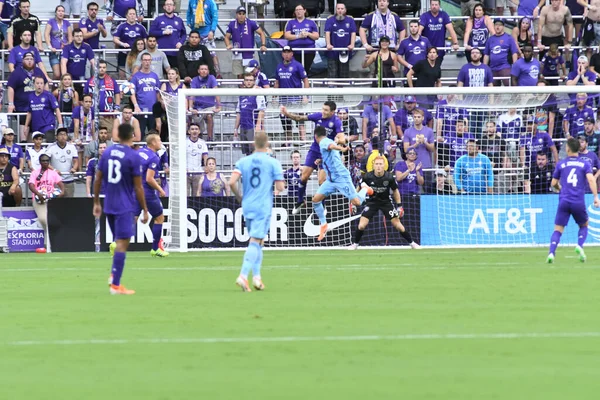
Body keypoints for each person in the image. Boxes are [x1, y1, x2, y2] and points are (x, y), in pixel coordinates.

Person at [94, 123, 149, 295]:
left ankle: (113, 275)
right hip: (124, 205)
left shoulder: (108, 152)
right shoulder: (133, 156)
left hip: (109, 204)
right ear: (132, 135)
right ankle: (116, 285)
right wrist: (145, 209)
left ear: (117, 135)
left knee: (120, 242)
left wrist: (96, 202)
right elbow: (139, 187)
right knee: (123, 243)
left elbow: (98, 178)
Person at [229, 132, 285, 292]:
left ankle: (257, 278)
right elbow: (280, 187)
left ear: (254, 144)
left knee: (259, 240)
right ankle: (243, 275)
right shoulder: (273, 162)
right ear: (267, 144)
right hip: (262, 205)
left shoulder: (243, 161)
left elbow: (232, 182)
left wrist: (240, 197)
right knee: (256, 240)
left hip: (247, 204)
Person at [279, 101, 344, 214]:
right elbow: (299, 118)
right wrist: (287, 113)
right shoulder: (318, 116)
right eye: (322, 109)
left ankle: (323, 206)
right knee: (303, 176)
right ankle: (300, 201)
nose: (323, 112)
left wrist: (339, 140)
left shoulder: (336, 121)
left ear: (332, 112)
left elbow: (341, 137)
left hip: (327, 153)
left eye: (326, 110)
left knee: (321, 180)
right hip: (314, 150)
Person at [311, 126, 372, 241]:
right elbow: (332, 152)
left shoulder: (324, 142)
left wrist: (342, 149)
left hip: (341, 178)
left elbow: (331, 147)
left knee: (357, 202)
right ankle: (324, 224)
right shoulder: (329, 141)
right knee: (316, 200)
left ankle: (364, 188)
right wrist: (322, 160)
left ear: (315, 136)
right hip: (331, 180)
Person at [546, 137, 600, 264]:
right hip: (578, 202)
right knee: (584, 225)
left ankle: (551, 253)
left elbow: (553, 183)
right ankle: (580, 246)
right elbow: (591, 180)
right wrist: (595, 197)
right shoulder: (585, 164)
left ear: (568, 149)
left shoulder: (561, 164)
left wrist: (560, 188)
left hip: (564, 201)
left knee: (558, 229)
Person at [349, 156, 420, 250]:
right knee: (362, 225)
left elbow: (395, 191)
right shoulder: (367, 176)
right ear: (373, 165)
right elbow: (358, 188)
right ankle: (355, 244)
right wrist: (353, 203)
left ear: (384, 166)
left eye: (380, 164)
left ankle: (412, 243)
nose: (378, 166)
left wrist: (399, 206)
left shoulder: (389, 177)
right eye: (377, 164)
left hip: (386, 202)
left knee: (398, 225)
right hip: (372, 202)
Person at [135, 133, 169, 257]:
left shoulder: (139, 152)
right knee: (159, 217)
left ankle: (117, 243)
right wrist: (161, 189)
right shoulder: (154, 157)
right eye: (159, 140)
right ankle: (155, 248)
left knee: (132, 219)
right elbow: (149, 179)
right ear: (153, 143)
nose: (161, 143)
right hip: (147, 192)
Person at [7, 52, 47, 141]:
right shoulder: (16, 72)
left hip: (37, 106)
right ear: (22, 60)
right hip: (22, 107)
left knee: (35, 137)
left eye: (31, 59)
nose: (29, 61)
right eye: (27, 59)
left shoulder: (38, 71)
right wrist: (10, 103)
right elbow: (11, 88)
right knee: (24, 137)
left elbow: (46, 84)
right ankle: (24, 144)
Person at [29, 153, 65, 250]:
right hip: (39, 200)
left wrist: (62, 192)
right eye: (43, 161)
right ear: (40, 162)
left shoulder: (53, 173)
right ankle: (48, 244)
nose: (45, 162)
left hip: (51, 199)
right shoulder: (35, 173)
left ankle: (49, 245)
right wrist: (38, 193)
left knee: (52, 222)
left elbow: (60, 183)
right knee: (44, 220)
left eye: (47, 161)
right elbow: (31, 185)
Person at [274, 45, 309, 143]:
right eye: (284, 52)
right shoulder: (279, 66)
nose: (286, 54)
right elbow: (277, 82)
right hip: (284, 99)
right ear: (282, 54)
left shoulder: (297, 65)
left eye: (288, 52)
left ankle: (303, 140)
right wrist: (274, 97)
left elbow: (305, 80)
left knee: (300, 118)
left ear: (292, 53)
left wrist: (306, 95)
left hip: (296, 98)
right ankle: (288, 141)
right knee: (285, 121)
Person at [225, 6, 267, 79]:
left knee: (249, 75)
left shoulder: (251, 23)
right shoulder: (232, 24)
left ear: (245, 15)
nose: (241, 16)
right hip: (236, 53)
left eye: (243, 14)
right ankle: (241, 90)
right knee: (239, 76)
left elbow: (262, 33)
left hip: (249, 53)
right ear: (236, 14)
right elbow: (226, 37)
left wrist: (263, 45)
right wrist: (228, 45)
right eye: (239, 13)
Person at [234, 73, 266, 156]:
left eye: (251, 80)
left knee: (255, 151)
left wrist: (258, 126)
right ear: (244, 81)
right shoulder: (241, 94)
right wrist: (235, 128)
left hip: (252, 126)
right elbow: (239, 112)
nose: (248, 82)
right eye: (247, 80)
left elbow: (261, 110)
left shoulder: (258, 93)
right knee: (246, 152)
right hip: (243, 126)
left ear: (254, 81)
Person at [186, 0, 220, 78]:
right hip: (195, 32)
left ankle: (217, 72)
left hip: (207, 33)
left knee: (212, 54)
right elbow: (189, 12)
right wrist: (188, 21)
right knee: (195, 56)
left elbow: (215, 17)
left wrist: (212, 30)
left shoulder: (211, 2)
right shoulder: (191, 1)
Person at [24, 76, 63, 142]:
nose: (39, 85)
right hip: (36, 128)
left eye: (41, 83)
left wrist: (60, 124)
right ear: (34, 84)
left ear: (44, 85)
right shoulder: (30, 96)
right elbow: (29, 112)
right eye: (37, 83)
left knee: (48, 147)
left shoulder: (49, 95)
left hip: (48, 126)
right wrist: (26, 126)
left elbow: (56, 109)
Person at [84, 59, 121, 129]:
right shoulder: (89, 81)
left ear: (106, 69)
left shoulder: (112, 81)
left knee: (108, 136)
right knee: (92, 136)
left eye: (104, 67)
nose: (102, 69)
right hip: (92, 115)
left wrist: (117, 107)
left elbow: (117, 94)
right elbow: (85, 95)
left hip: (107, 116)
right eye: (100, 67)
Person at [149, 0, 187, 67]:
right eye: (167, 5)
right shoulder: (158, 19)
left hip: (175, 53)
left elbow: (184, 34)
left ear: (174, 7)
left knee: (174, 74)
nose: (169, 6)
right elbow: (151, 32)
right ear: (164, 7)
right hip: (161, 53)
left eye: (170, 4)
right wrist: (163, 32)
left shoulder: (179, 20)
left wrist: (181, 42)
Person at [113, 8, 148, 79]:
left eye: (134, 14)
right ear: (126, 16)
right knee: (122, 75)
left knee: (138, 74)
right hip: (124, 53)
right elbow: (115, 39)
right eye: (130, 14)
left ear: (136, 16)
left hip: (137, 55)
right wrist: (123, 44)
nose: (132, 16)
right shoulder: (121, 26)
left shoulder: (141, 27)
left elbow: (145, 41)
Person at [131, 53, 161, 135]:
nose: (147, 62)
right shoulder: (136, 76)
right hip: (141, 110)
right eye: (145, 60)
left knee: (154, 134)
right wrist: (136, 106)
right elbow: (132, 92)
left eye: (148, 60)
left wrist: (158, 108)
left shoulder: (155, 76)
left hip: (153, 111)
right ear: (141, 61)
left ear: (151, 61)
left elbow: (158, 93)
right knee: (139, 135)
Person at [189, 64, 220, 142]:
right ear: (198, 71)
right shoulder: (195, 80)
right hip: (198, 107)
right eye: (202, 69)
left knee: (209, 116)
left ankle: (210, 139)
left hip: (209, 106)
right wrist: (190, 108)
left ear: (208, 71)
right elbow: (191, 94)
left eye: (205, 69)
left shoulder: (212, 78)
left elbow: (216, 92)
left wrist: (219, 106)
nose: (204, 71)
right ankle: (199, 139)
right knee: (196, 120)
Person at [324, 2, 356, 80]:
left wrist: (352, 44)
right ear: (336, 10)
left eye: (342, 9)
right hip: (332, 51)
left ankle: (343, 92)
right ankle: (332, 92)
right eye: (338, 9)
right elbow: (327, 33)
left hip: (345, 52)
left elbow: (353, 33)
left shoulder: (350, 20)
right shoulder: (330, 20)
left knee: (344, 75)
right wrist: (328, 44)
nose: (340, 10)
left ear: (345, 10)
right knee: (332, 74)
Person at [483, 19, 519, 87]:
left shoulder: (509, 38)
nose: (498, 27)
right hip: (492, 68)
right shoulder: (490, 39)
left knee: (509, 85)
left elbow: (514, 52)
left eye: (500, 25)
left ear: (503, 27)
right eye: (496, 25)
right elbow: (486, 54)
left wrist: (515, 66)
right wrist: (485, 67)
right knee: (493, 88)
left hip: (505, 67)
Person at [60, 28, 95, 95]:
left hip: (82, 77)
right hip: (70, 78)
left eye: (81, 36)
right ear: (73, 37)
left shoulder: (87, 47)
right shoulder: (67, 47)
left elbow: (93, 63)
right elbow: (63, 63)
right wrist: (65, 78)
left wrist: (97, 76)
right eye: (77, 36)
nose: (79, 38)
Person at [402, 108, 435, 179]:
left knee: (427, 188)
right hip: (412, 165)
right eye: (415, 117)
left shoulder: (429, 131)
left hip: (426, 165)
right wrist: (415, 144)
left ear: (423, 118)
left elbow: (432, 149)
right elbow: (405, 150)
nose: (416, 119)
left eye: (418, 117)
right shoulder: (407, 131)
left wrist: (425, 142)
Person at [46, 128, 78, 197]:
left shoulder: (72, 147)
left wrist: (74, 168)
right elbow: (45, 162)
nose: (63, 136)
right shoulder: (51, 147)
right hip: (55, 180)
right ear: (56, 137)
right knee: (56, 203)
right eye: (60, 134)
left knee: (69, 203)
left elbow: (76, 161)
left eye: (64, 135)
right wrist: (54, 170)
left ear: (67, 136)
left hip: (69, 179)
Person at [479, 121, 510, 193]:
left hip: (498, 172)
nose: (489, 129)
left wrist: (504, 168)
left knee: (499, 194)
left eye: (491, 127)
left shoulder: (500, 140)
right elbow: (479, 156)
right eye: (487, 127)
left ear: (495, 128)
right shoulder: (481, 140)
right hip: (485, 173)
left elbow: (504, 155)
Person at [44, 5, 72, 80]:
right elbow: (46, 34)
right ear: (56, 12)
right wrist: (50, 47)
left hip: (65, 52)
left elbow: (70, 37)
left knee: (64, 74)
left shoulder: (67, 23)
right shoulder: (51, 21)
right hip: (54, 51)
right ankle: (53, 91)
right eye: (59, 11)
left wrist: (68, 45)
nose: (61, 13)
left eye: (62, 11)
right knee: (57, 74)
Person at [186, 123, 208, 196]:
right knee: (185, 195)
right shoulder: (184, 142)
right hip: (186, 173)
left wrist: (206, 167)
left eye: (196, 129)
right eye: (192, 129)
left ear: (199, 131)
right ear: (189, 131)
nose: (194, 131)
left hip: (198, 172)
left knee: (197, 196)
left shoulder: (202, 143)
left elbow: (205, 156)